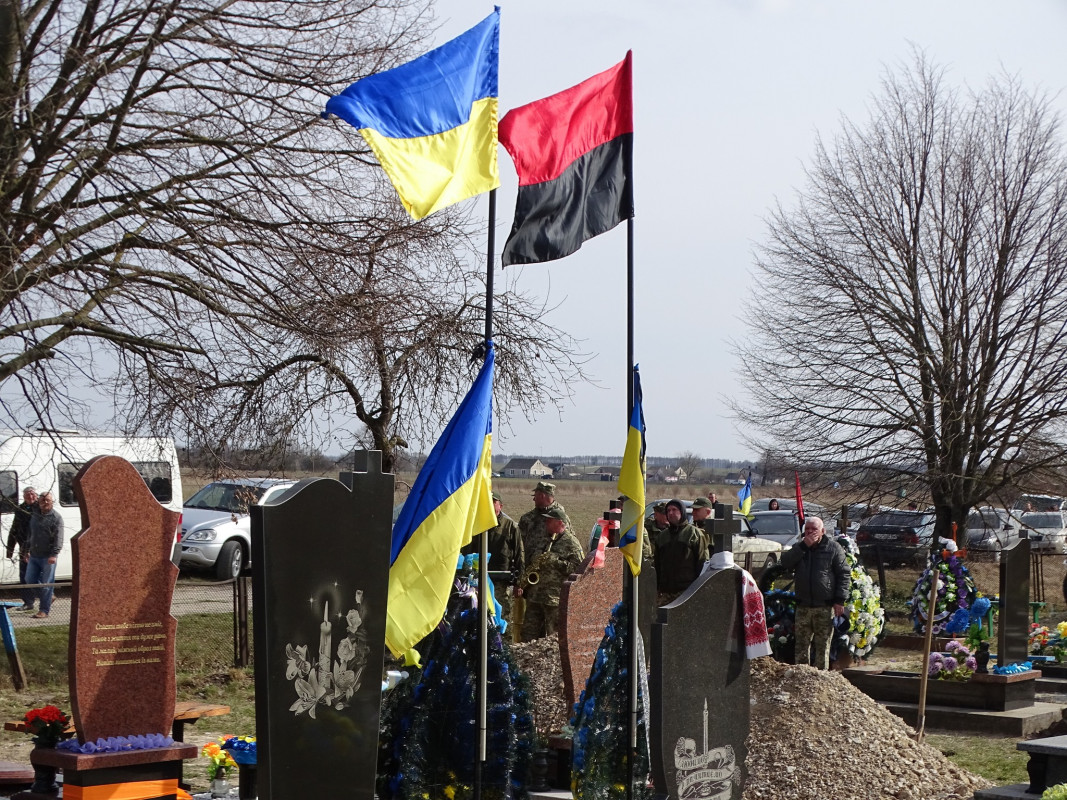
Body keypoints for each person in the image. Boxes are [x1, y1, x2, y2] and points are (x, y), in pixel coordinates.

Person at [780, 516, 849, 670]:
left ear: (823, 531)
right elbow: (785, 563)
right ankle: (801, 677)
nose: (810, 532)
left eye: (814, 529)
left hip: (824, 607)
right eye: (807, 529)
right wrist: (803, 547)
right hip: (803, 606)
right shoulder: (800, 548)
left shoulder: (833, 548)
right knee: (801, 646)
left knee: (822, 646)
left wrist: (839, 600)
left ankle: (820, 678)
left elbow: (844, 574)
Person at [519, 507, 584, 640]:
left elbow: (579, 569)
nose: (546, 523)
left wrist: (556, 561)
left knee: (554, 636)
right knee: (528, 634)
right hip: (535, 596)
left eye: (549, 521)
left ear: (560, 523)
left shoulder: (571, 543)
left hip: (554, 599)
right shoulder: (544, 539)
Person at [460, 492, 524, 619]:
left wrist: (519, 582)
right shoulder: (475, 524)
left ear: (501, 506)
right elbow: (466, 551)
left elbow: (519, 555)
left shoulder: (510, 526)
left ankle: (502, 639)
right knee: (477, 614)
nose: (490, 505)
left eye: (494, 502)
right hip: (477, 580)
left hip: (500, 580)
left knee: (500, 615)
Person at [653, 499, 708, 605]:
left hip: (687, 591)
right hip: (665, 593)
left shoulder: (694, 534)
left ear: (682, 512)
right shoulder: (661, 537)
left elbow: (702, 563)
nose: (670, 513)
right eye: (668, 511)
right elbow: (657, 565)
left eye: (674, 510)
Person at [26, 491, 63, 619]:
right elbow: (30, 534)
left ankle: (44, 611)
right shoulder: (35, 515)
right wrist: (26, 550)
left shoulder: (56, 518)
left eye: (48, 500)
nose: (45, 502)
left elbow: (59, 538)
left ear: (52, 502)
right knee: (29, 580)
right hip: (34, 555)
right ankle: (49, 597)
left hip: (48, 557)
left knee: (47, 584)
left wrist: (54, 554)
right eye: (43, 500)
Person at [518, 481, 577, 561]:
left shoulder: (560, 517)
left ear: (542, 496)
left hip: (552, 568)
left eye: (535, 496)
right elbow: (519, 543)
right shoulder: (527, 518)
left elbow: (570, 543)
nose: (533, 499)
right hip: (530, 567)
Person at [5, 487, 38, 610]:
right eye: (28, 495)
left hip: (37, 547)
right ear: (24, 497)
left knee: (37, 575)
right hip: (23, 547)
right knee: (24, 575)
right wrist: (10, 549)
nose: (30, 497)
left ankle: (47, 597)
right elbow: (14, 529)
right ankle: (28, 602)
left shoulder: (40, 509)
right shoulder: (20, 509)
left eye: (33, 494)